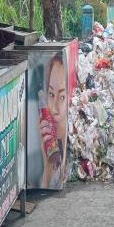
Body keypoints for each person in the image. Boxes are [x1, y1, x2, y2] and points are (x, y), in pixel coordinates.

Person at [39, 54, 67, 188]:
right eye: (51, 94)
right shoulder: (50, 144)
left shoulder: (69, 144)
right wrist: (47, 167)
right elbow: (46, 190)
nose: (54, 108)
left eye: (62, 96)